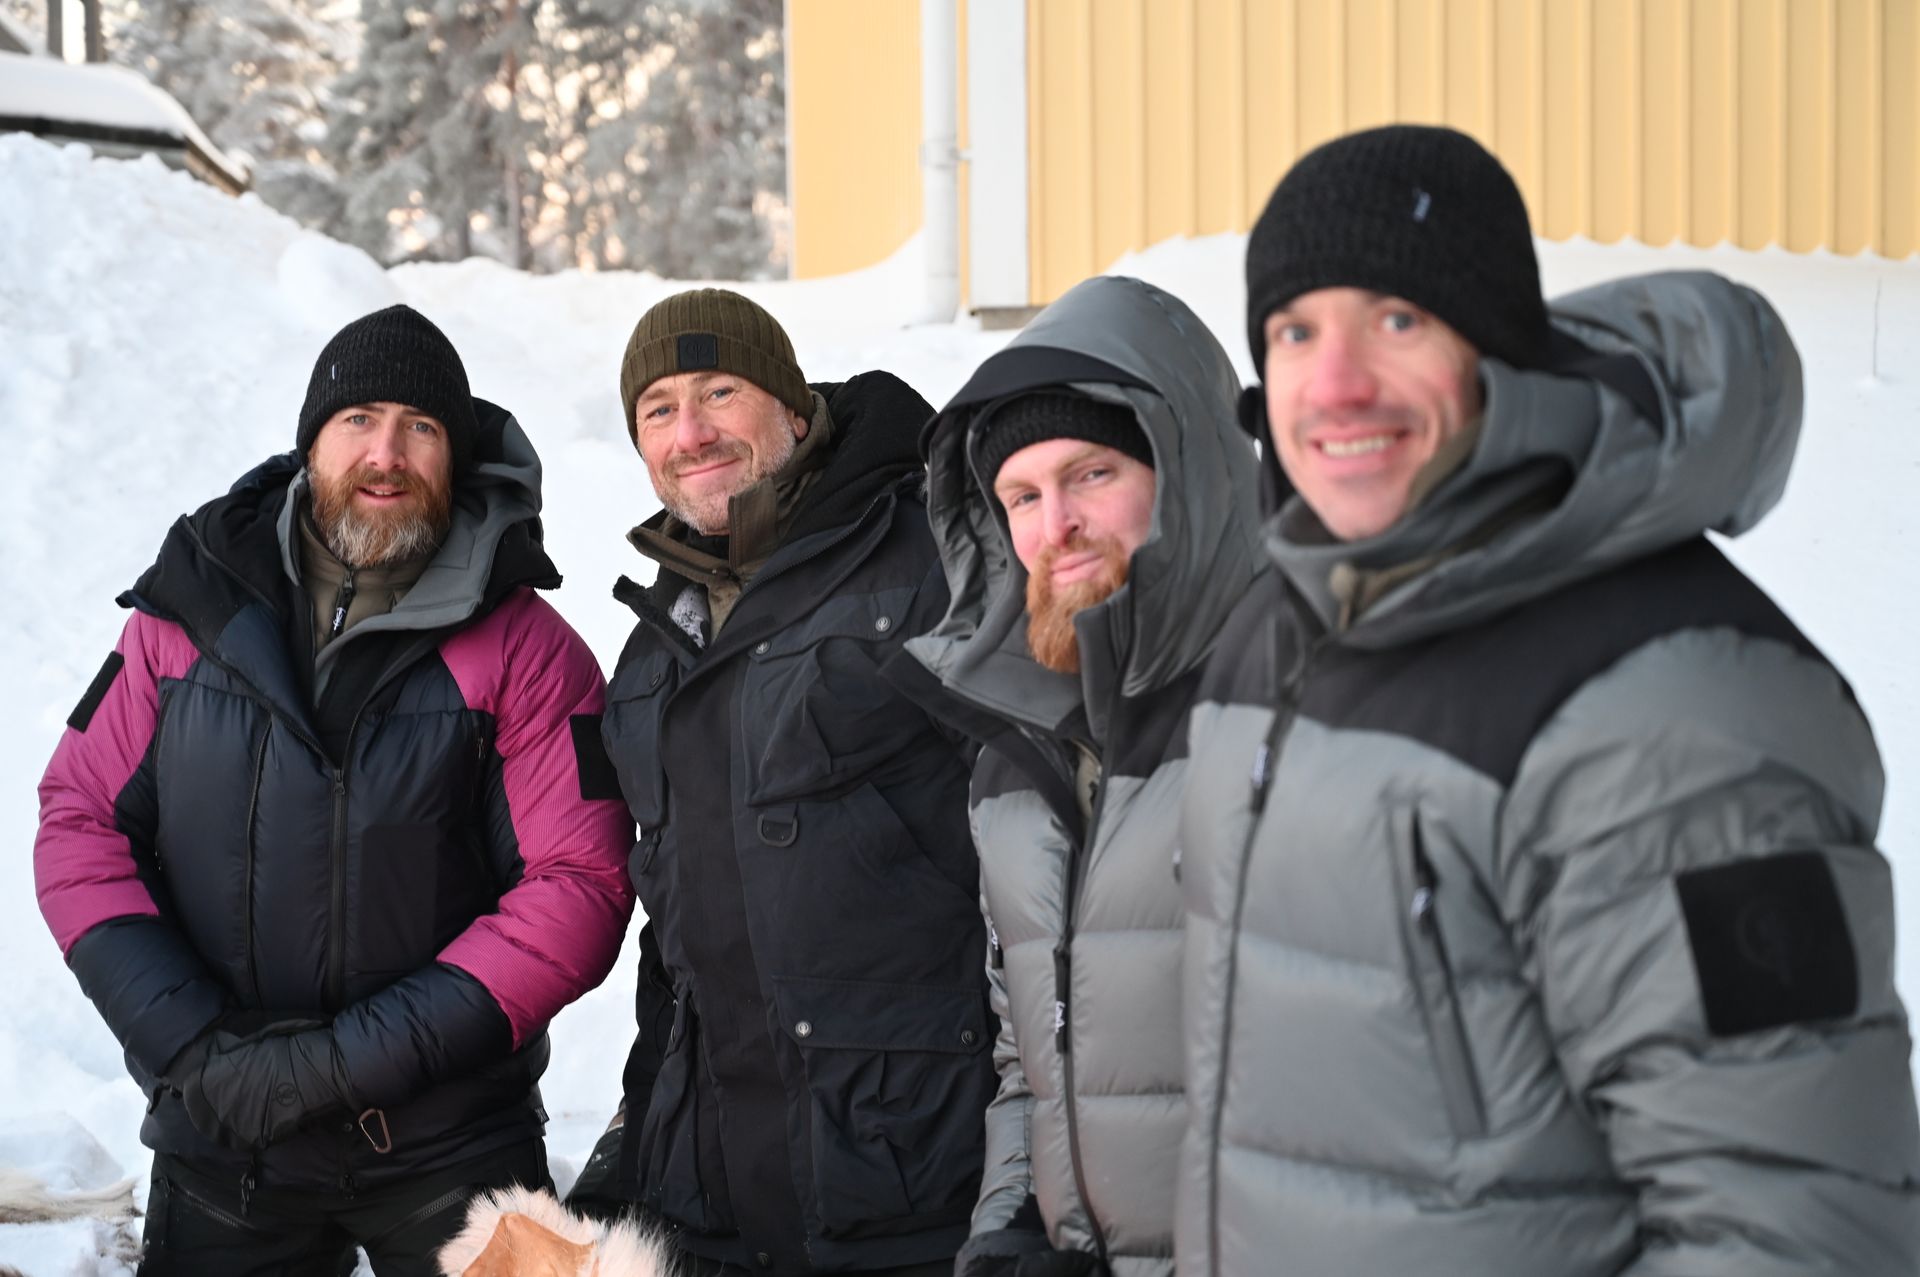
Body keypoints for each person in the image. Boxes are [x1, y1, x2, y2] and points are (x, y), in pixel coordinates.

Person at [1175, 123, 1920, 1275]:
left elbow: (1792, 1229)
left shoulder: (1674, 710)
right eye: (1295, 331)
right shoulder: (1276, 632)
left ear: (1496, 348)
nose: (1334, 383)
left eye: (1397, 319)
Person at [34, 304, 636, 1274]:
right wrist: (192, 1048)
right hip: (224, 1132)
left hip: (450, 1143)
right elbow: (80, 823)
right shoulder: (185, 615)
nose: (385, 453)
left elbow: (579, 884)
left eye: (420, 426)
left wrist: (343, 1062)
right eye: (358, 419)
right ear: (311, 441)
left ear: (455, 455)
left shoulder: (527, 649)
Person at [575, 289, 993, 1275]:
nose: (691, 432)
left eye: (720, 391)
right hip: (719, 1196)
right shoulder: (654, 648)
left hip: (919, 1179)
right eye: (659, 409)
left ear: (794, 409)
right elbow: (674, 947)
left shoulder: (932, 557)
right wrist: (631, 1154)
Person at [901, 275, 1262, 1277]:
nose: (1053, 523)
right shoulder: (1013, 756)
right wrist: (1012, 1222)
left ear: (1187, 474)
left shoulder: (1295, 711)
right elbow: (1031, 1056)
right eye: (1021, 496)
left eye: (1091, 473)